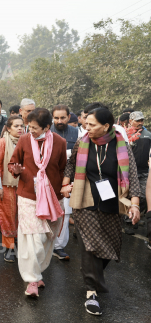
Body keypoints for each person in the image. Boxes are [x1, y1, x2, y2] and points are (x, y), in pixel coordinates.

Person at [61, 107, 140, 316]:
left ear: (106, 126)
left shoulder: (121, 145)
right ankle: (91, 291)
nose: (87, 128)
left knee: (110, 246)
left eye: (92, 125)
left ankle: (92, 276)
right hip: (85, 198)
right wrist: (65, 182)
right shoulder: (83, 141)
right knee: (90, 245)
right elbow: (71, 163)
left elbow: (131, 174)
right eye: (86, 123)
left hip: (112, 201)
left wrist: (135, 204)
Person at [9, 108, 66, 298]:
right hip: (27, 196)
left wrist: (64, 189)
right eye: (29, 126)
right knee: (32, 239)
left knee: (46, 239)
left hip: (52, 197)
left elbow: (64, 169)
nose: (30, 130)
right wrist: (15, 170)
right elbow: (12, 163)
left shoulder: (60, 143)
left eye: (34, 127)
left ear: (47, 127)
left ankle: (37, 272)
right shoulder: (25, 140)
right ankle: (32, 279)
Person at [0, 116, 24, 262]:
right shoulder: (2, 142)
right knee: (8, 216)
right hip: (4, 185)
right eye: (16, 126)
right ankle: (9, 247)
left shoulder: (26, 142)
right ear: (8, 128)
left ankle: (18, 243)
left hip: (22, 184)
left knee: (21, 215)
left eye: (21, 126)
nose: (20, 129)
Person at [50, 104, 79, 260]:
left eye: (62, 117)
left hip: (69, 179)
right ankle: (45, 244)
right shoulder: (47, 131)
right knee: (48, 212)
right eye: (56, 118)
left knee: (66, 214)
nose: (59, 120)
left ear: (69, 117)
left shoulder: (77, 132)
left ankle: (59, 246)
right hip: (49, 179)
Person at [125, 111, 151, 235]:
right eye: (137, 120)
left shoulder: (148, 135)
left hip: (144, 171)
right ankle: (128, 221)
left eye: (142, 120)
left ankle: (137, 215)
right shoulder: (125, 135)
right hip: (128, 172)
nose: (140, 123)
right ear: (130, 121)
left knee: (144, 197)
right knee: (129, 196)